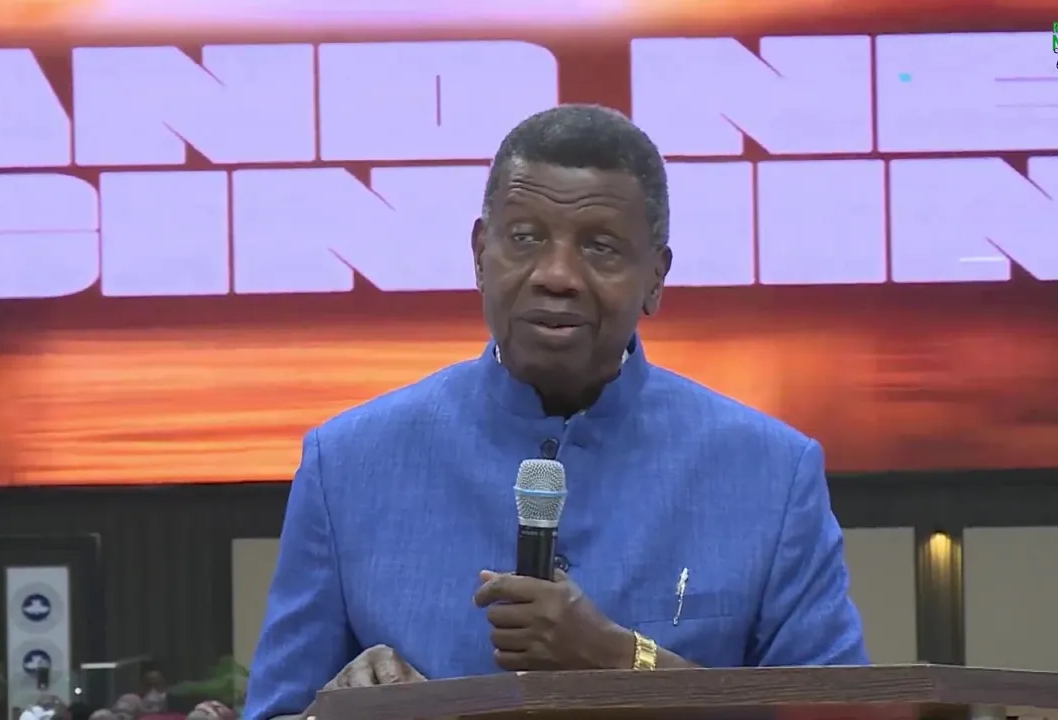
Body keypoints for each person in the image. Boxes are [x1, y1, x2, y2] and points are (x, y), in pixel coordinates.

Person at [245, 103, 868, 720]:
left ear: (655, 278)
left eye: (600, 247)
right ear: (480, 254)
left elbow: (835, 716)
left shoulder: (771, 473)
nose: (557, 274)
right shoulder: (346, 464)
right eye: (525, 238)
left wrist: (620, 660)